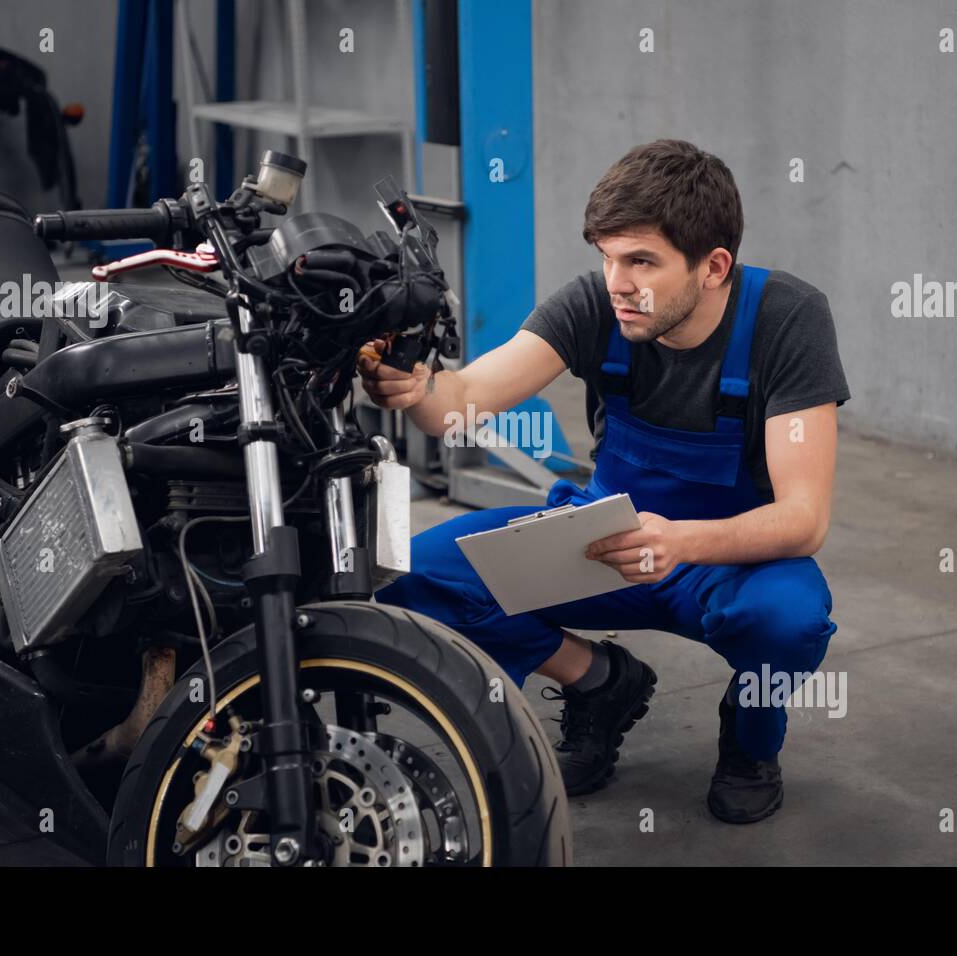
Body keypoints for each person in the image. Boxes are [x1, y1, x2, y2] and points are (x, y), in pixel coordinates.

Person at [360, 139, 849, 824]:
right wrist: (412, 386)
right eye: (607, 257)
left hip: (727, 559)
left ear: (713, 267)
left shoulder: (786, 320)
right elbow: (460, 401)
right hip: (605, 544)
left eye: (641, 261)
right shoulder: (598, 304)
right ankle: (599, 682)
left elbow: (805, 518)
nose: (616, 280)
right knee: (419, 580)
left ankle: (749, 736)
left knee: (786, 620)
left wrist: (680, 542)